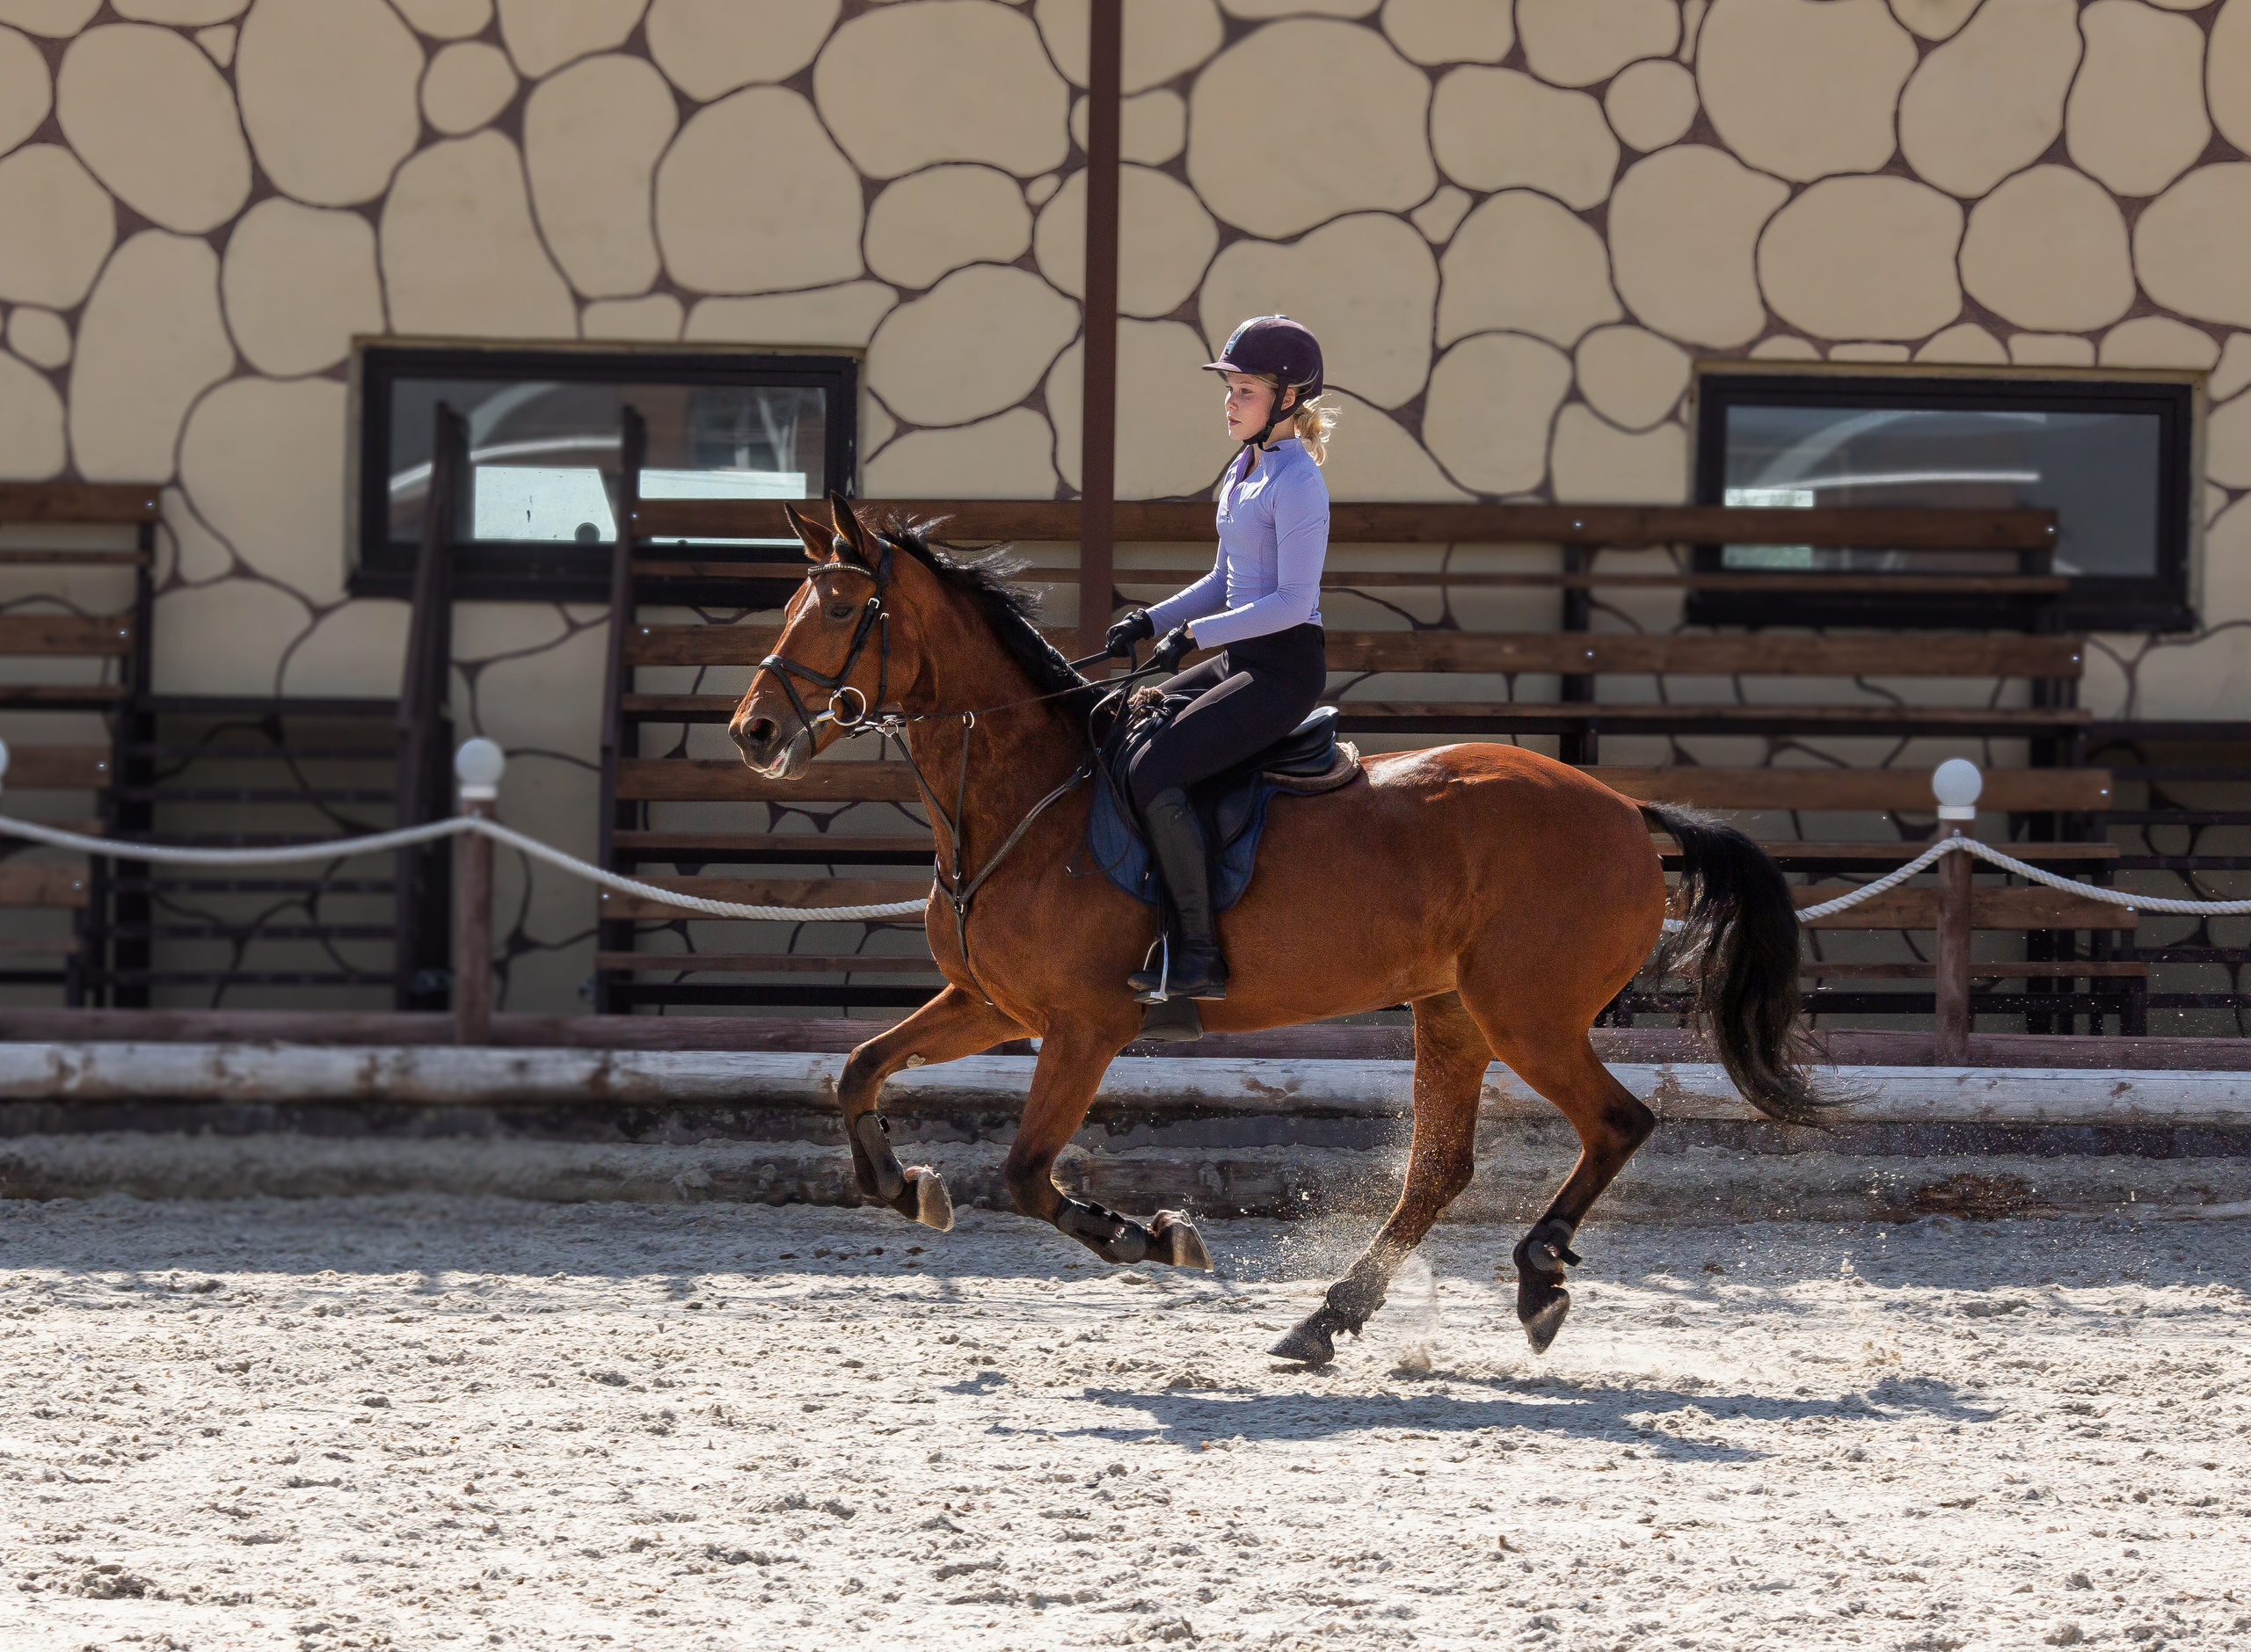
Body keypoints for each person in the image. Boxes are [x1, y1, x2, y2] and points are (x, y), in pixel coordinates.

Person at [1103, 314, 1336, 1001]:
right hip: (1241, 657)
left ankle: (1200, 955)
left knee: (1155, 767)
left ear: (1286, 399)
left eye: (1244, 391)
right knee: (1121, 728)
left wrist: (1194, 636)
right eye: (1229, 389)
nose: (1229, 403)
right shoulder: (1244, 470)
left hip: (1282, 669)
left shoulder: (1298, 485)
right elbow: (1220, 581)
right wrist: (1150, 619)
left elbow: (1294, 602)